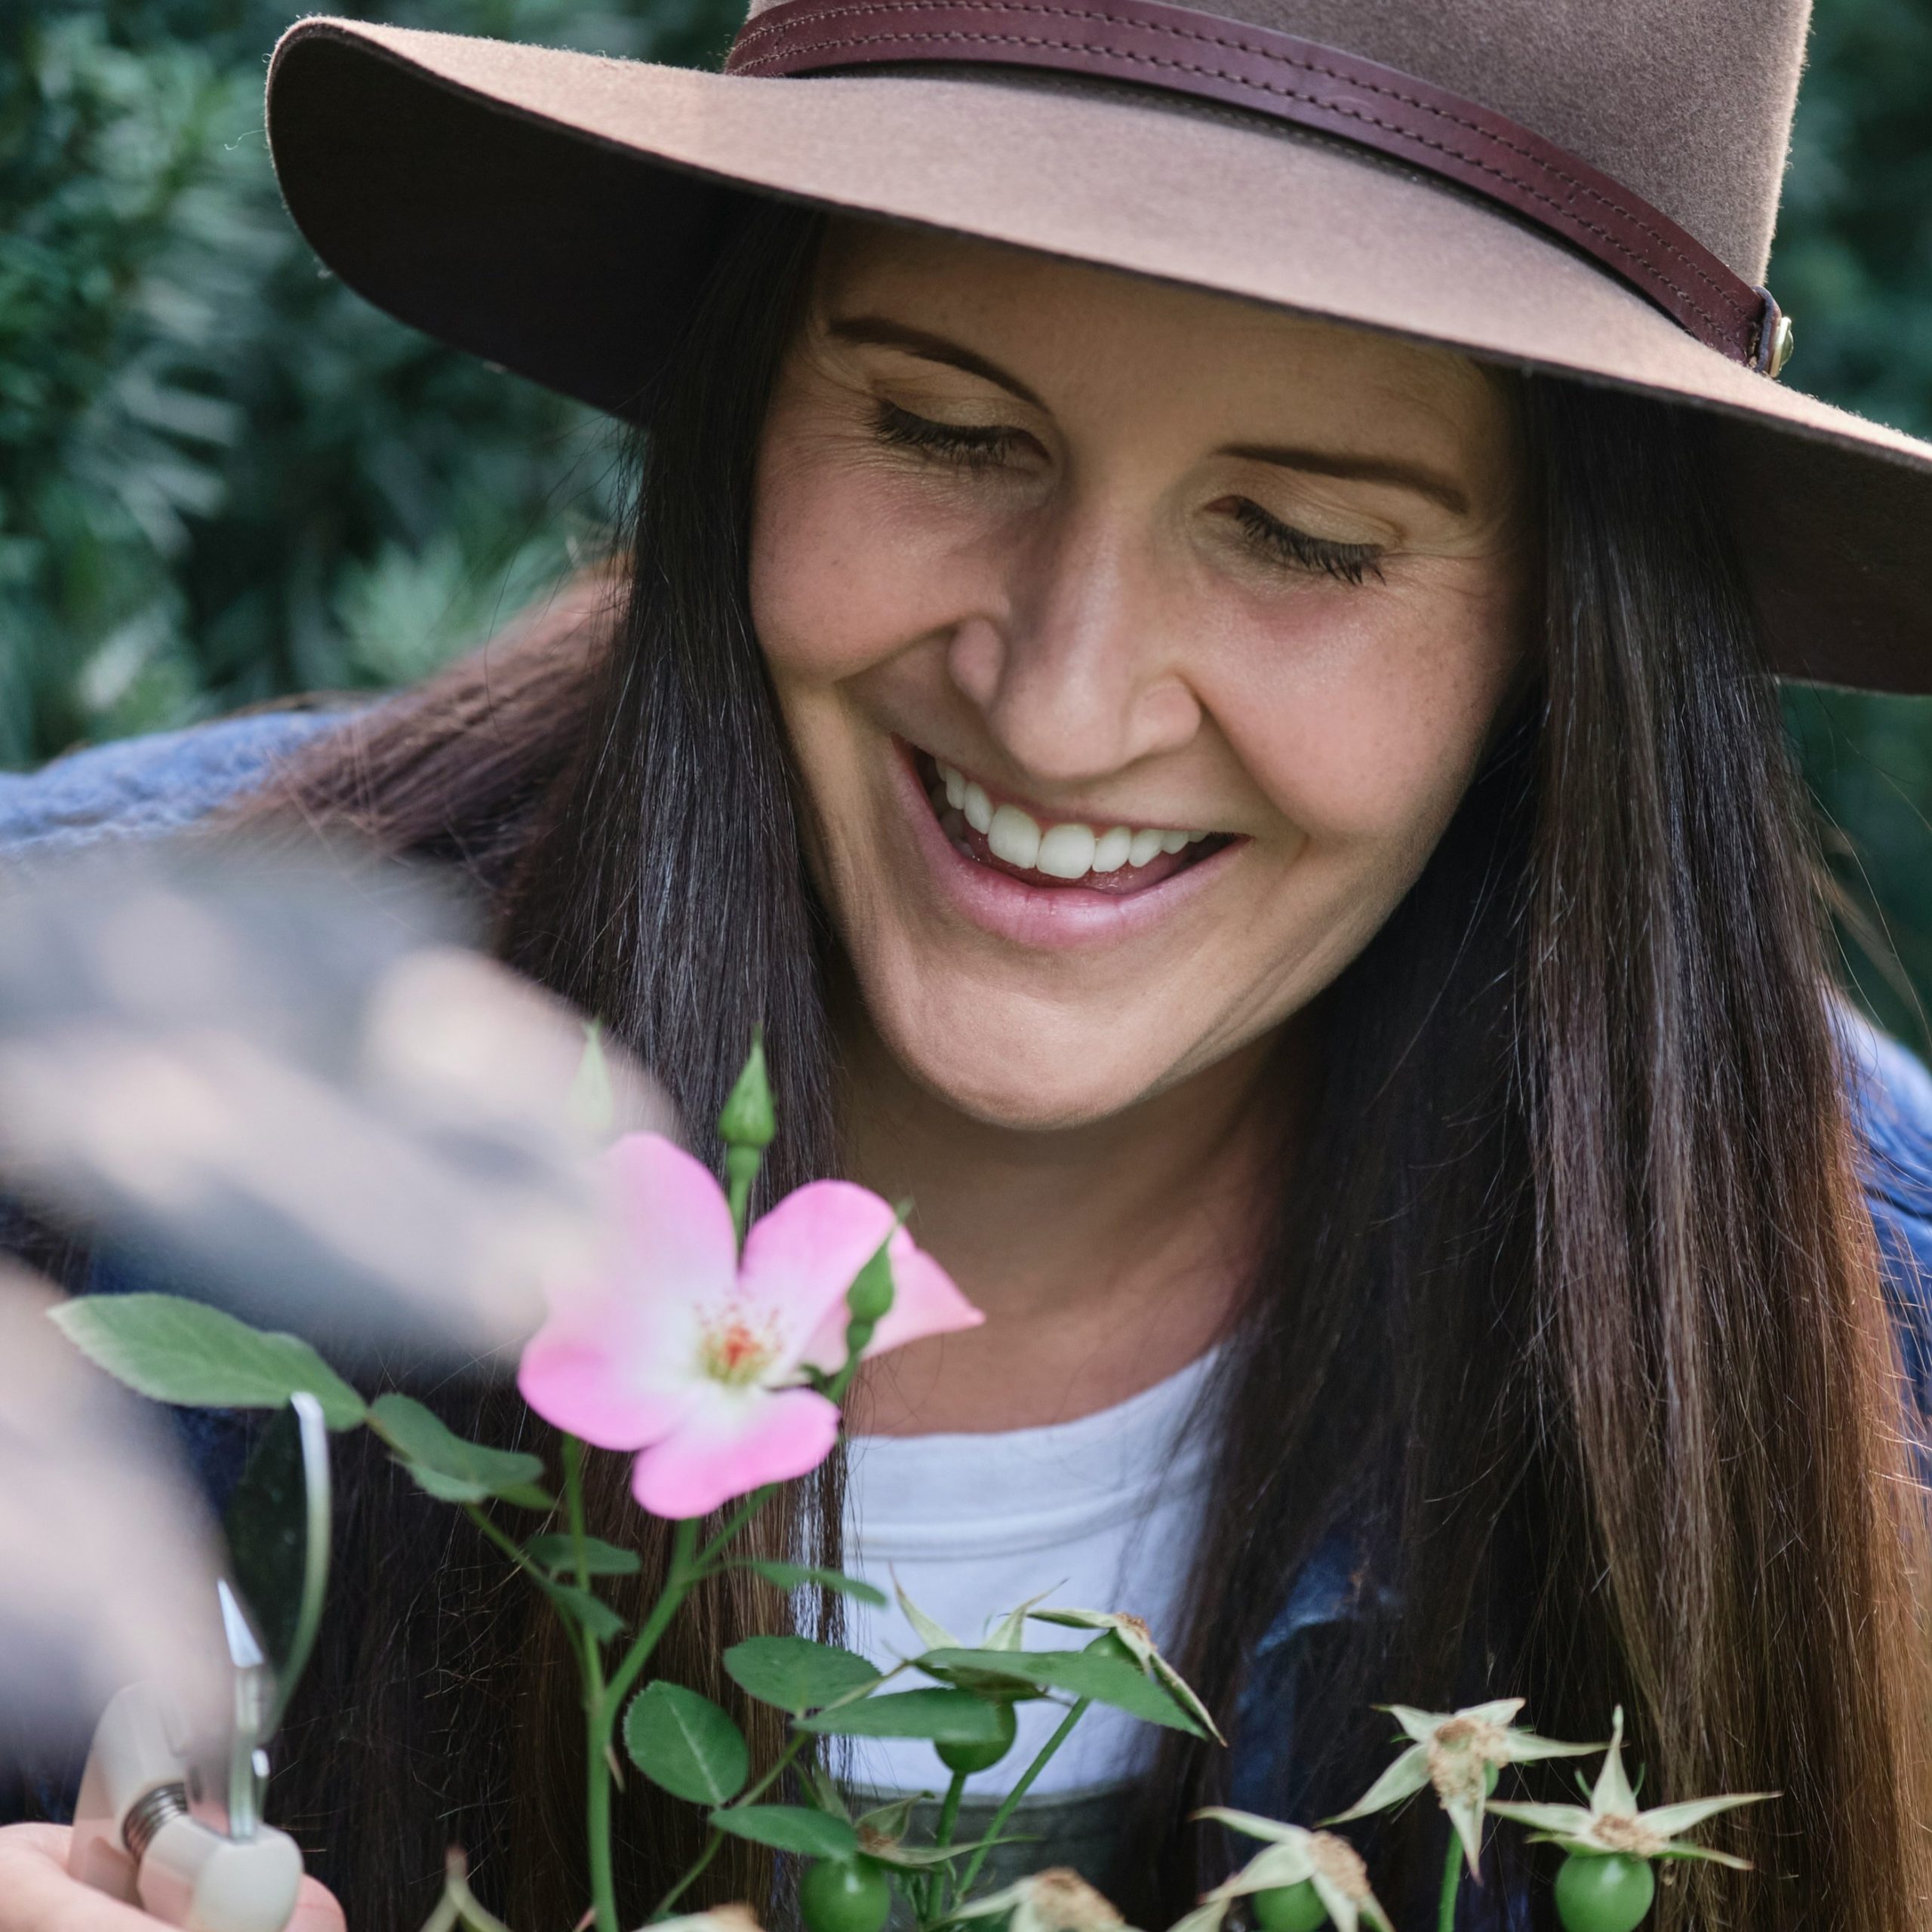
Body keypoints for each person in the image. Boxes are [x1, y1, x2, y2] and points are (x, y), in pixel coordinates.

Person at [6, 0, 1932, 1926]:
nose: (1067, 703)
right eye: (943, 429)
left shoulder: (1876, 1331)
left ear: (1564, 624)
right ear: (746, 395)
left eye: (1298, 536)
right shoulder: (73, 1072)